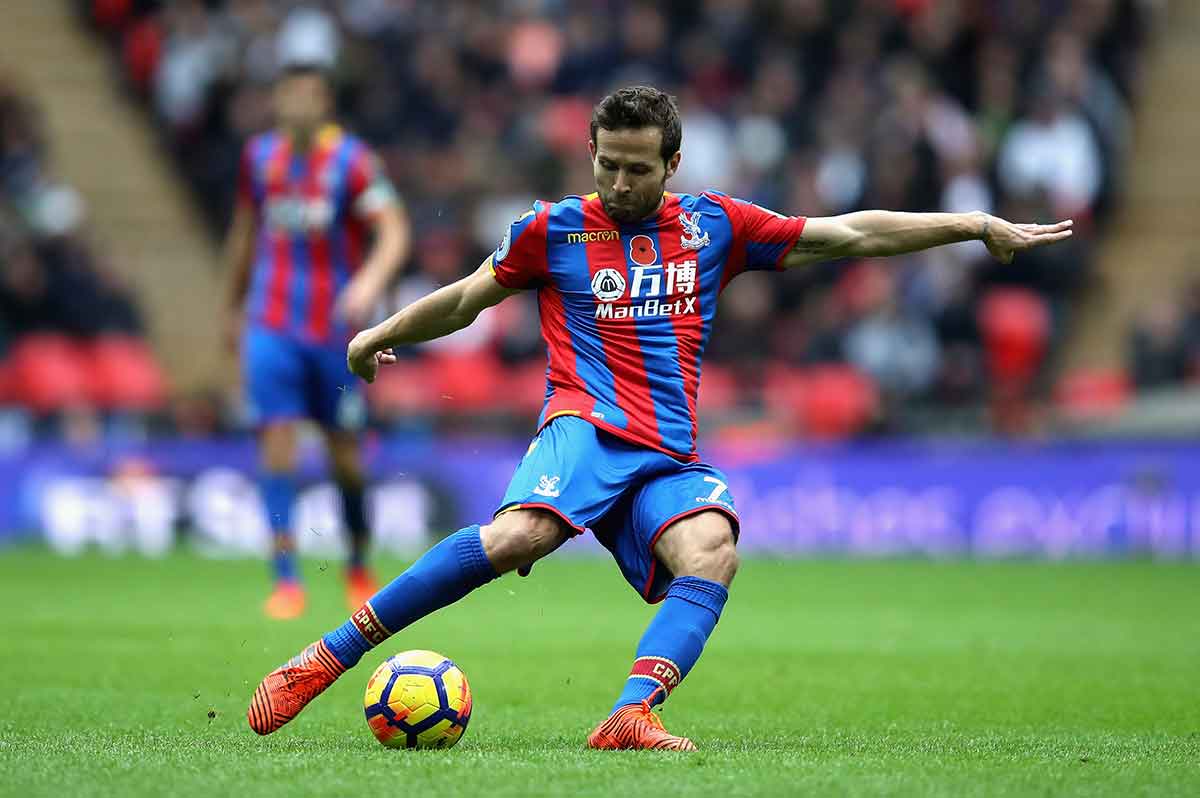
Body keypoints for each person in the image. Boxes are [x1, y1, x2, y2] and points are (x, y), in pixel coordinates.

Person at [247, 86, 1071, 747]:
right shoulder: (553, 230)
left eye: (638, 169)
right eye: (607, 165)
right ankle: (327, 656)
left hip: (665, 455)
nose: (618, 184)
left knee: (712, 548)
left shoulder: (717, 226)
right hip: (583, 428)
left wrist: (971, 226)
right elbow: (465, 300)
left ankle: (632, 714)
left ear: (672, 163)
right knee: (519, 537)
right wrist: (377, 337)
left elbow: (850, 233)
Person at [224, 62, 411, 620]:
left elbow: (394, 229)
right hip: (271, 325)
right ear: (277, 99)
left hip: (336, 332)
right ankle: (285, 580)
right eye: (289, 93)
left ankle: (357, 564)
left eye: (309, 94)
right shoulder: (259, 158)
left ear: (325, 101)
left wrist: (370, 283)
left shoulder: (352, 161)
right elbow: (244, 232)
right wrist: (229, 307)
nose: (298, 104)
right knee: (276, 443)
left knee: (345, 458)